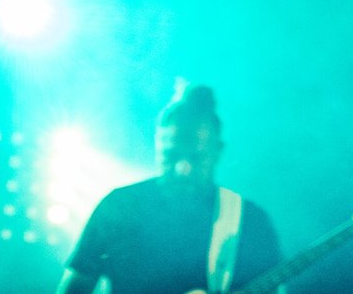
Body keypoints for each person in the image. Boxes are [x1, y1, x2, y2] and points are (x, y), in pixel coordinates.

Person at [57, 84, 284, 294]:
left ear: (218, 151)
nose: (182, 169)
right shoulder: (119, 207)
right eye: (171, 156)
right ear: (157, 147)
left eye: (196, 158)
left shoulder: (250, 221)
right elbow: (75, 287)